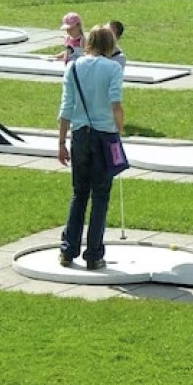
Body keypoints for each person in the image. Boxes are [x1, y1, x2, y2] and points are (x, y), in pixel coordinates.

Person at [56, 24, 126, 270]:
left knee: (79, 193)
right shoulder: (113, 68)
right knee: (100, 196)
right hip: (104, 135)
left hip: (80, 136)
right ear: (109, 45)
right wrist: (120, 129)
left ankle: (67, 251)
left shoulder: (73, 67)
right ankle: (94, 255)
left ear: (88, 42)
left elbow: (66, 108)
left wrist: (61, 143)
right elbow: (116, 104)